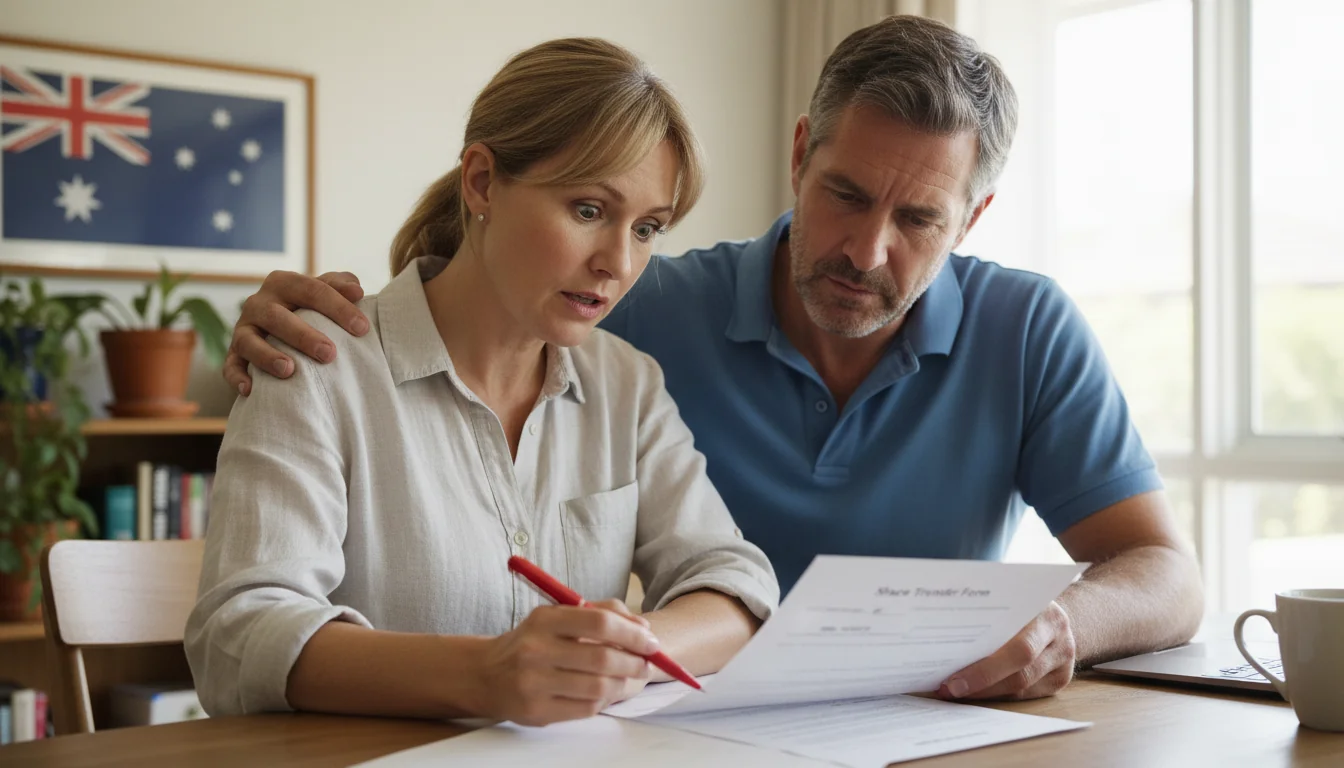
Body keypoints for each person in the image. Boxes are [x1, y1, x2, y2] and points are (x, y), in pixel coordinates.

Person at [222, 16, 1204, 703]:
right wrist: (280, 320)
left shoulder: (1025, 329)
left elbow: (1165, 572)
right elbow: (463, 299)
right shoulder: (633, 310)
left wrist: (1065, 627)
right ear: (799, 154)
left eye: (918, 219)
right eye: (847, 195)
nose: (866, 252)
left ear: (973, 219)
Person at [185, 37, 778, 726]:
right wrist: (484, 674)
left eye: (647, 228)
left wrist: (627, 654)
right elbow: (235, 637)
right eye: (589, 210)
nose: (618, 261)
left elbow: (737, 588)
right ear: (482, 182)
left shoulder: (628, 384)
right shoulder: (317, 364)